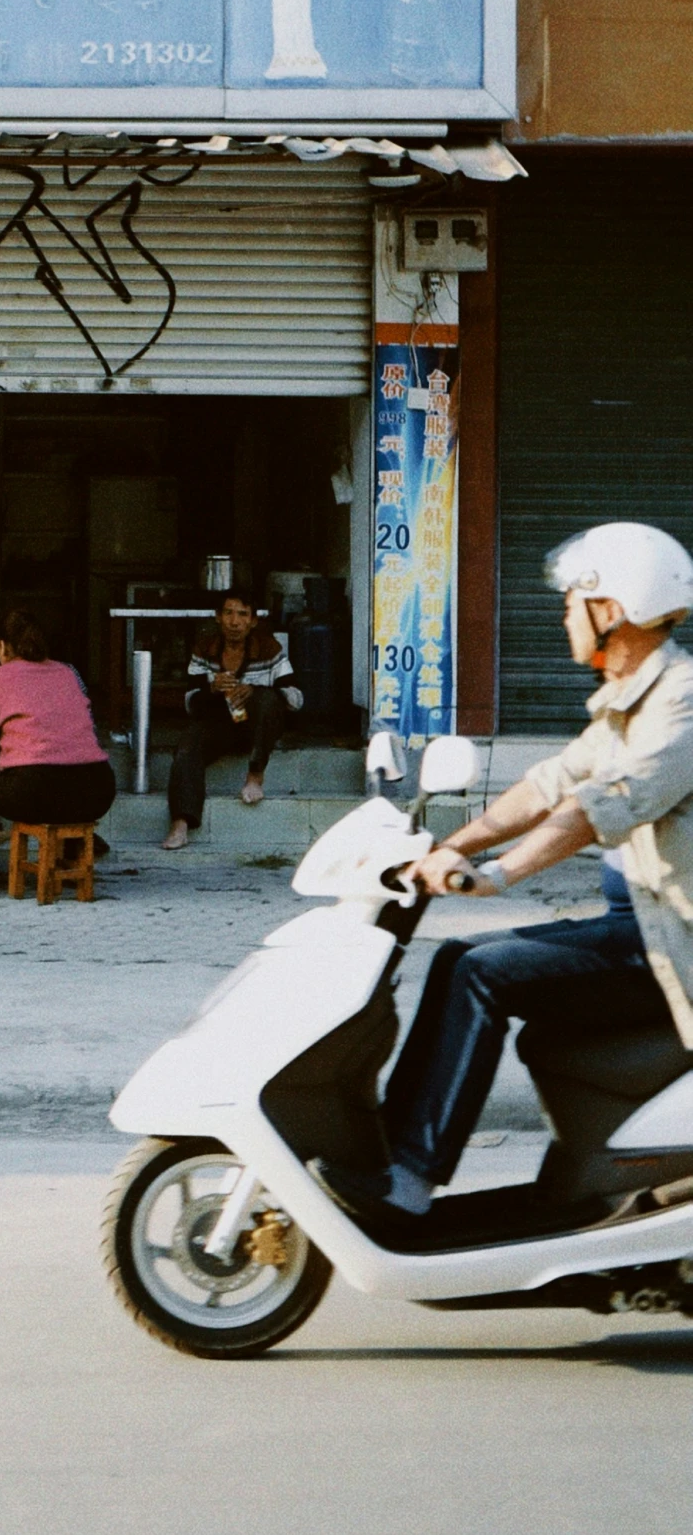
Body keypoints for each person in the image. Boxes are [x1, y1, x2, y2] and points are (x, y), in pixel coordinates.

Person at [320, 522, 693, 1226]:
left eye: (569, 604)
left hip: (673, 945)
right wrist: (441, 846)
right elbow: (547, 783)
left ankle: (409, 1176)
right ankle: (394, 1156)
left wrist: (496, 875)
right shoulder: (628, 698)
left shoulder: (680, 700)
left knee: (478, 972)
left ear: (610, 610)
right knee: (461, 956)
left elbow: (595, 807)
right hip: (639, 931)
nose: (560, 618)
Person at [0, 609, 117, 893]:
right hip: (97, 789)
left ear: (2, 646)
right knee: (57, 771)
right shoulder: (67, 673)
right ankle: (71, 856)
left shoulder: (0, 677)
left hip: (35, 791)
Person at [163, 594, 302, 849]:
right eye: (228, 613)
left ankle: (254, 776)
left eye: (242, 614)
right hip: (220, 727)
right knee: (188, 743)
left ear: (253, 621)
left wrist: (256, 691)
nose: (234, 621)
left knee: (267, 700)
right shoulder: (204, 649)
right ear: (218, 617)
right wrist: (211, 689)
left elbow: (296, 699)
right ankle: (180, 824)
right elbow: (190, 704)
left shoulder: (269, 648)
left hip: (258, 731)